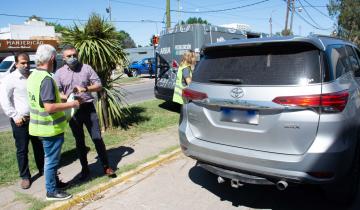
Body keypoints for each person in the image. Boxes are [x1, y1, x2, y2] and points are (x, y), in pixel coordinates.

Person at [54, 45, 115, 181]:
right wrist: (68, 97)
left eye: (74, 55)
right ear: (63, 58)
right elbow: (57, 92)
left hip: (88, 108)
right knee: (79, 141)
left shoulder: (86, 68)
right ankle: (85, 169)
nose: (72, 58)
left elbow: (99, 85)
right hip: (72, 110)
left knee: (97, 138)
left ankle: (106, 166)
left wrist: (85, 88)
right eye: (69, 56)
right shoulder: (59, 73)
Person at [27, 44, 80, 200]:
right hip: (49, 128)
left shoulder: (33, 75)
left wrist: (64, 96)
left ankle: (55, 183)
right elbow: (49, 107)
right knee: (51, 161)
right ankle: (51, 191)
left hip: (37, 127)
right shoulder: (47, 79)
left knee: (49, 158)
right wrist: (72, 104)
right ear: (51, 59)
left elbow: (43, 97)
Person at [0, 52, 44, 190]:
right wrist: (14, 116)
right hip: (21, 121)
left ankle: (43, 168)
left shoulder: (33, 76)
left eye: (27, 62)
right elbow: (4, 99)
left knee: (39, 146)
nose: (26, 65)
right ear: (16, 64)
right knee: (22, 149)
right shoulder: (10, 79)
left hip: (35, 119)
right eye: (22, 63)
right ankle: (25, 176)